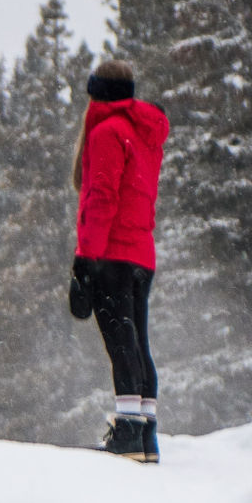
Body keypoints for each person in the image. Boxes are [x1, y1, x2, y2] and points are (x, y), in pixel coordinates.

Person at [71, 61, 168, 458]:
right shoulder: (142, 134)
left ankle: (127, 430)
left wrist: (85, 259)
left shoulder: (108, 132)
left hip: (111, 252)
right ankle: (145, 431)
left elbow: (102, 197)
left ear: (96, 94)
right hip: (141, 254)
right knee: (136, 339)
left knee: (120, 340)